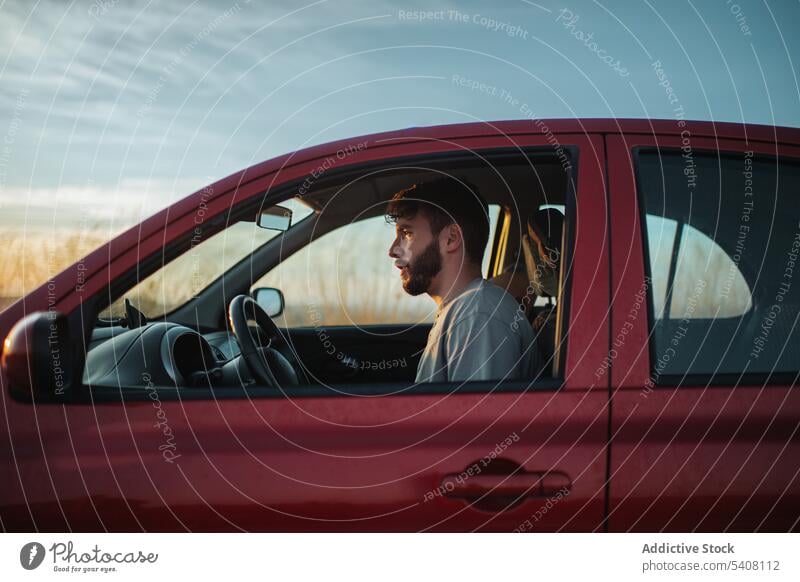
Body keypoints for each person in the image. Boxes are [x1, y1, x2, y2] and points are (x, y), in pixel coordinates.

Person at [386, 177, 538, 383]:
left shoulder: (478, 315)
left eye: (407, 233)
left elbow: (478, 415)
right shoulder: (464, 310)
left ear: (451, 239)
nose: (393, 250)